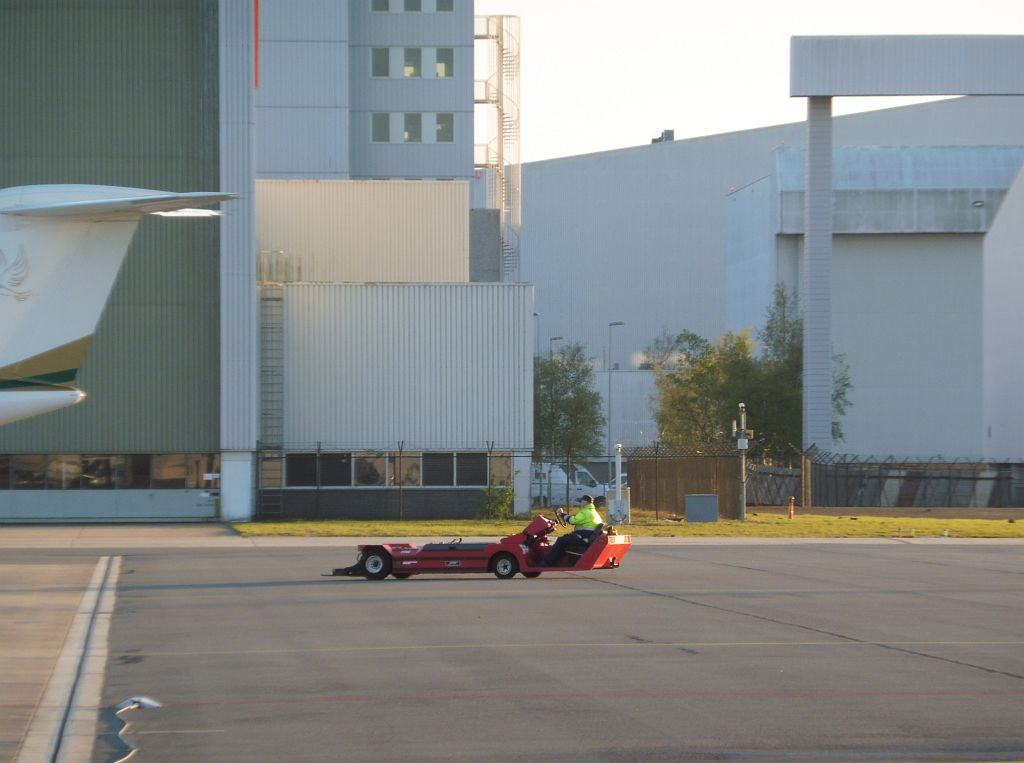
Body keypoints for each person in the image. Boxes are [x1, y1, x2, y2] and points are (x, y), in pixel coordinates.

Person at [539, 494, 603, 566]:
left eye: (580, 501)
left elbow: (572, 521)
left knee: (561, 540)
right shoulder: (592, 512)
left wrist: (562, 514)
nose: (580, 503)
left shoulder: (585, 512)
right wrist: (563, 515)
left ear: (585, 502)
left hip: (584, 536)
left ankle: (547, 562)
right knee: (565, 539)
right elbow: (576, 518)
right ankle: (557, 560)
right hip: (587, 535)